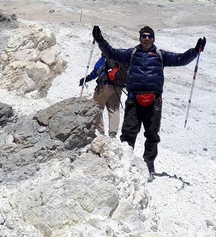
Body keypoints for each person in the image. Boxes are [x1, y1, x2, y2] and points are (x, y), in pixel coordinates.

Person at [91, 24, 205, 179]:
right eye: (143, 36)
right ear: (140, 38)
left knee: (152, 135)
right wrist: (100, 39)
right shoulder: (131, 53)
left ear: (153, 38)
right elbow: (111, 53)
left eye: (149, 36)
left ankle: (148, 166)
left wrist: (195, 50)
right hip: (133, 99)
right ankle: (125, 163)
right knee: (128, 133)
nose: (146, 39)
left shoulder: (160, 55)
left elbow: (181, 59)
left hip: (154, 100)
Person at [79, 56, 127, 137]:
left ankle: (101, 132)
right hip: (117, 87)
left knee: (97, 108)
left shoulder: (104, 59)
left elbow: (96, 72)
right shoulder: (119, 59)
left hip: (104, 86)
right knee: (114, 110)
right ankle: (113, 133)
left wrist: (86, 79)